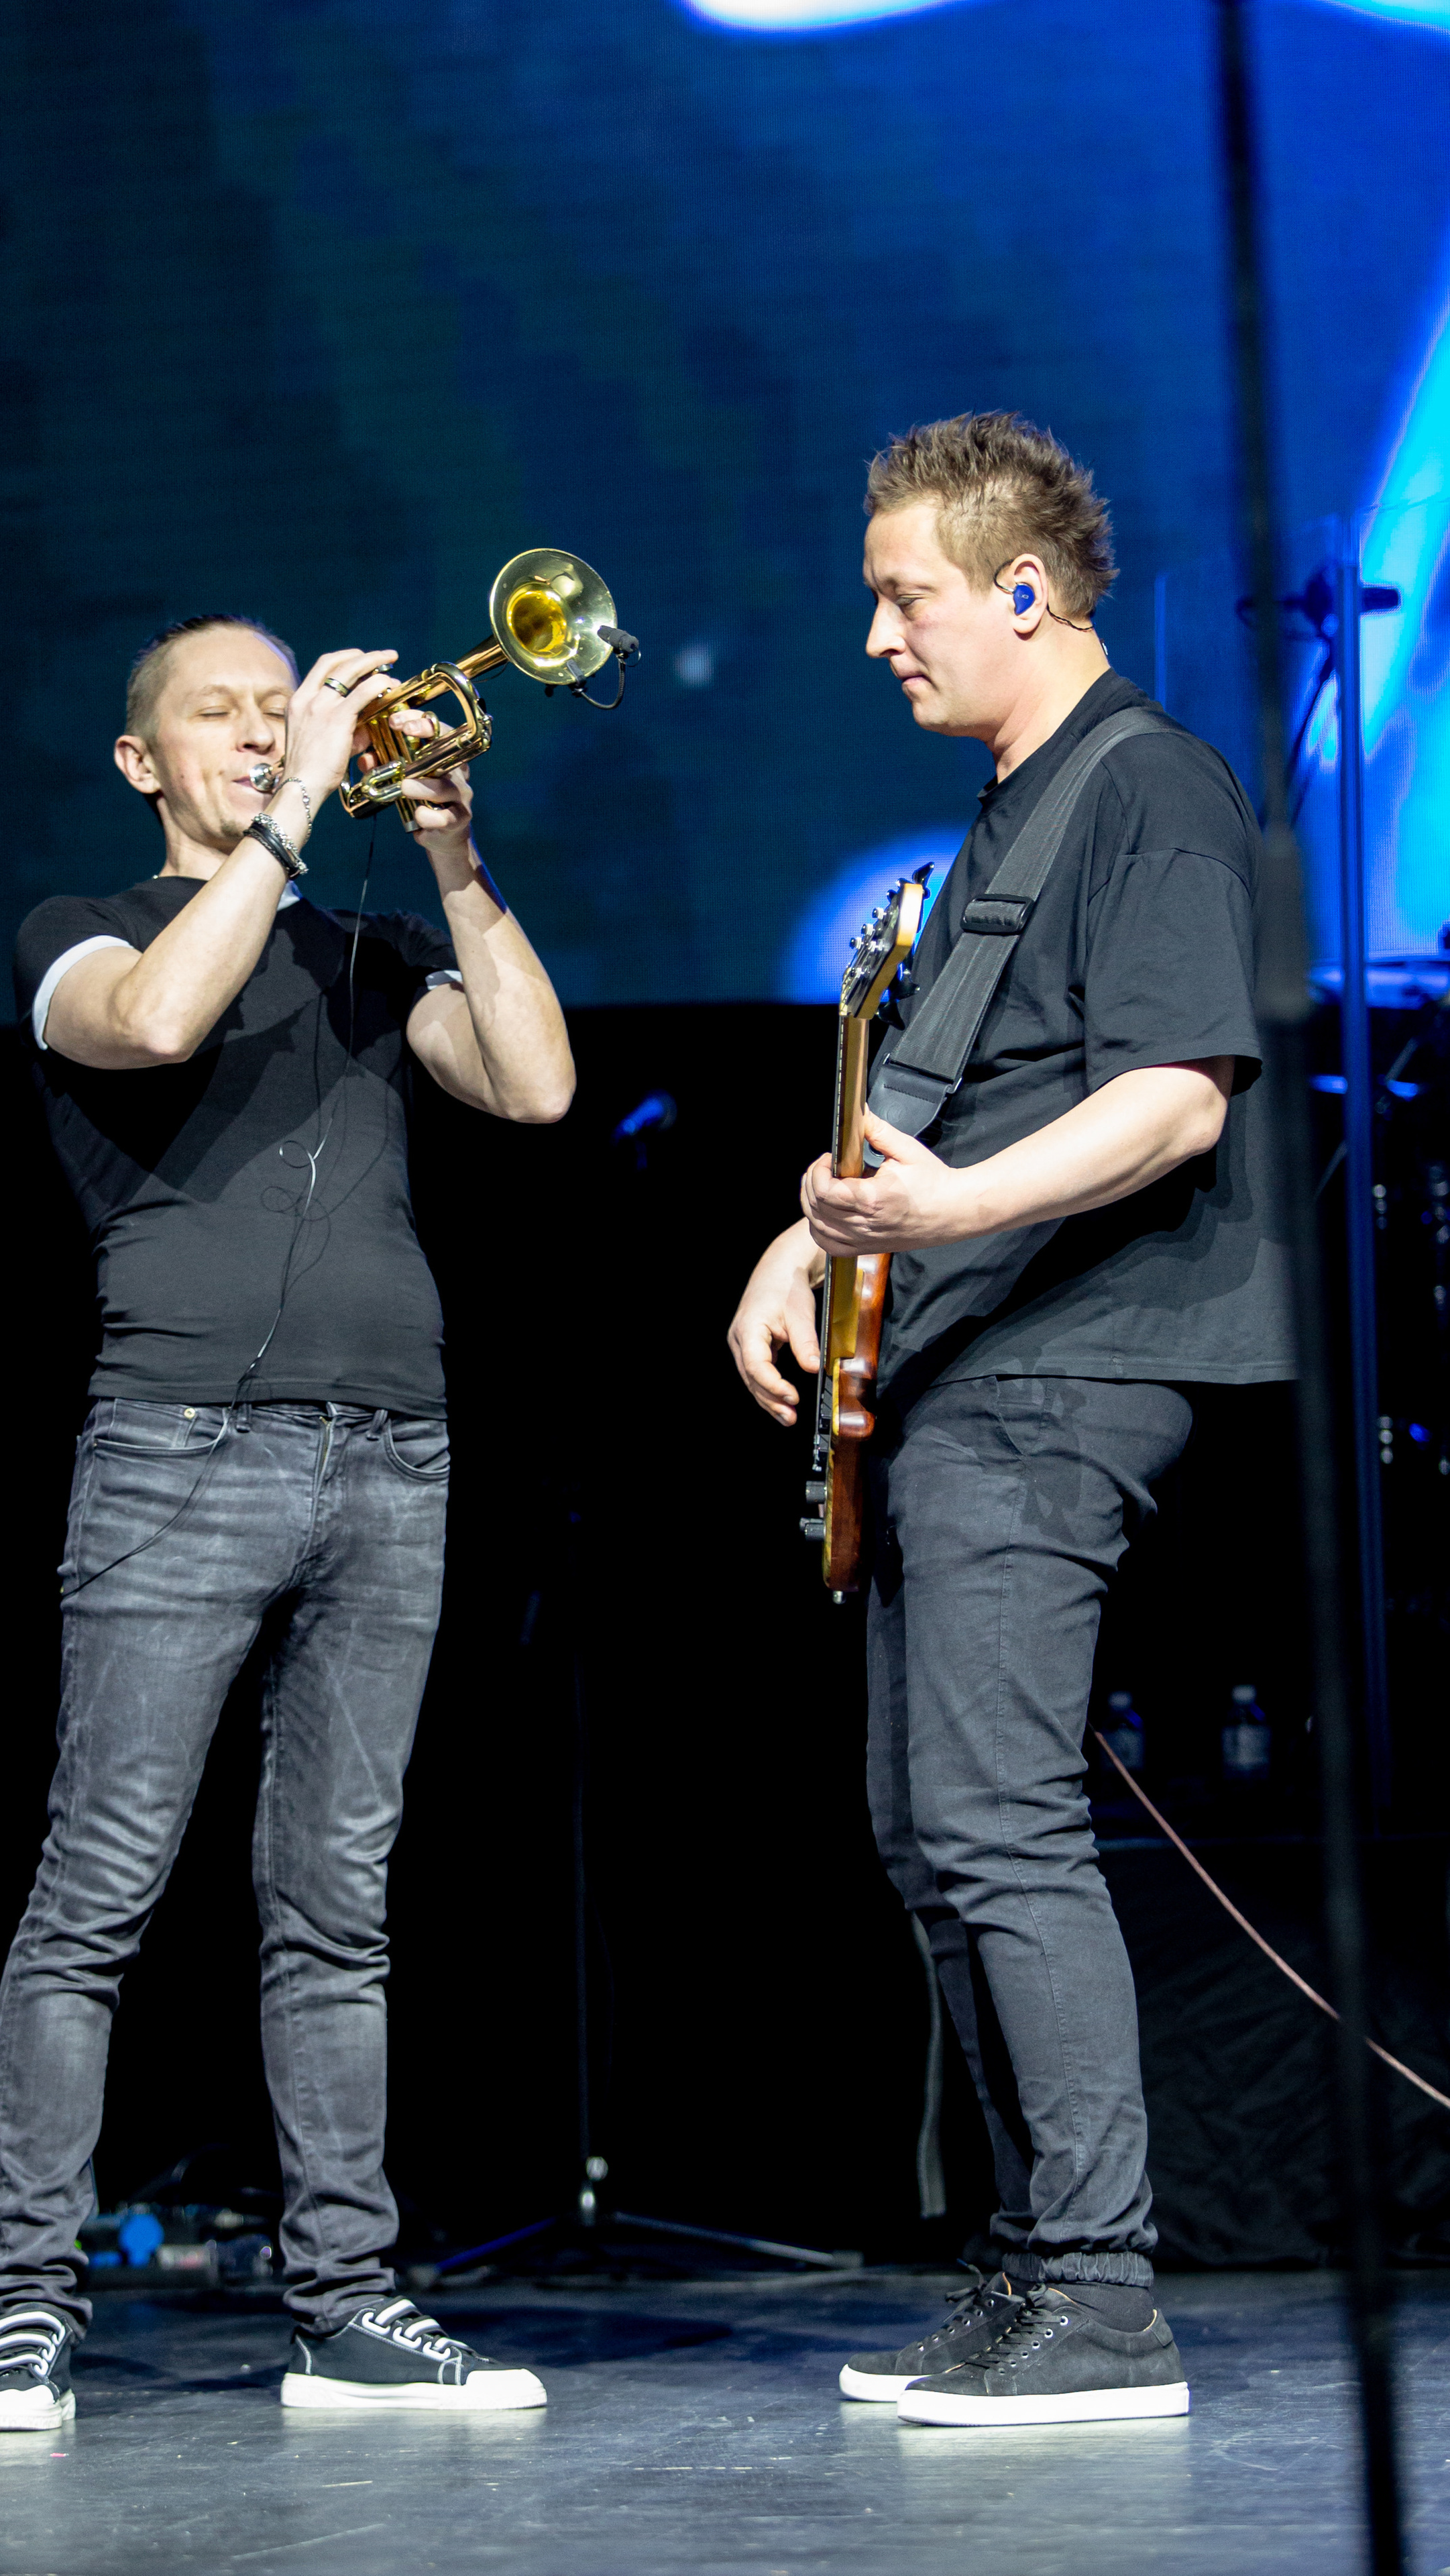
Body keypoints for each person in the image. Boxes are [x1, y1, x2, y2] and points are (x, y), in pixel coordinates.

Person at [728, 413, 1292, 2426]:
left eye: (911, 594)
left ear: (1028, 590)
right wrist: (814, 1245)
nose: (881, 633)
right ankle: (1026, 2269)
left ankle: (1099, 2302)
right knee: (926, 1831)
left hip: (1064, 1376)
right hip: (957, 1374)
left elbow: (1173, 1096)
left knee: (994, 1823)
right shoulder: (996, 826)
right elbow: (934, 1116)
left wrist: (948, 1208)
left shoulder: (1143, 788)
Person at [0, 614, 574, 2430]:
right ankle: (28, 2307)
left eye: (275, 706)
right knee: (97, 1896)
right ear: (143, 763)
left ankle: (352, 2308)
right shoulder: (83, 930)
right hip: (178, 1456)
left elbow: (536, 1086)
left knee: (336, 1908)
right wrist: (299, 798)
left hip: (394, 1460)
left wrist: (452, 854)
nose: (258, 729)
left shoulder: (371, 950)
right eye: (216, 716)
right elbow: (154, 1027)